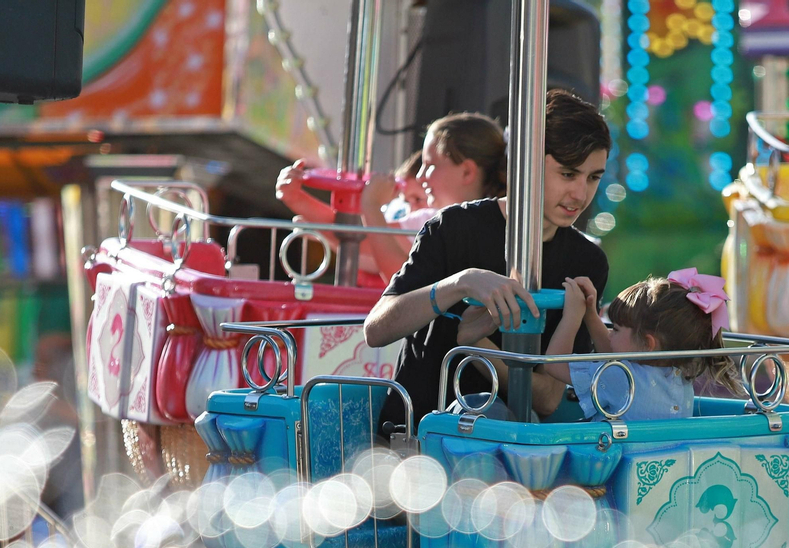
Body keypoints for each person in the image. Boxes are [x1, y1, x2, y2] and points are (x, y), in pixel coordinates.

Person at [364, 89, 611, 435]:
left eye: (593, 177)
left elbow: (549, 397)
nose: (581, 194)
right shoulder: (452, 227)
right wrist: (458, 284)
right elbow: (376, 330)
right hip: (414, 438)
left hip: (511, 455)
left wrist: (478, 346)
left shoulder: (588, 261)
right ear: (524, 164)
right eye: (568, 175)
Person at [276, 113, 507, 283]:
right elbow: (360, 241)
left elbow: (402, 281)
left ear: (467, 171)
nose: (420, 176)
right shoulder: (429, 221)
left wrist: (371, 206)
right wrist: (297, 199)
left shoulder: (502, 224)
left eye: (430, 165)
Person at [542, 269, 738, 421]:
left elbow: (554, 364)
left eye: (616, 329)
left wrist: (572, 316)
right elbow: (613, 356)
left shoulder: (622, 378)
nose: (610, 334)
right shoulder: (678, 377)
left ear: (647, 343)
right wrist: (591, 315)